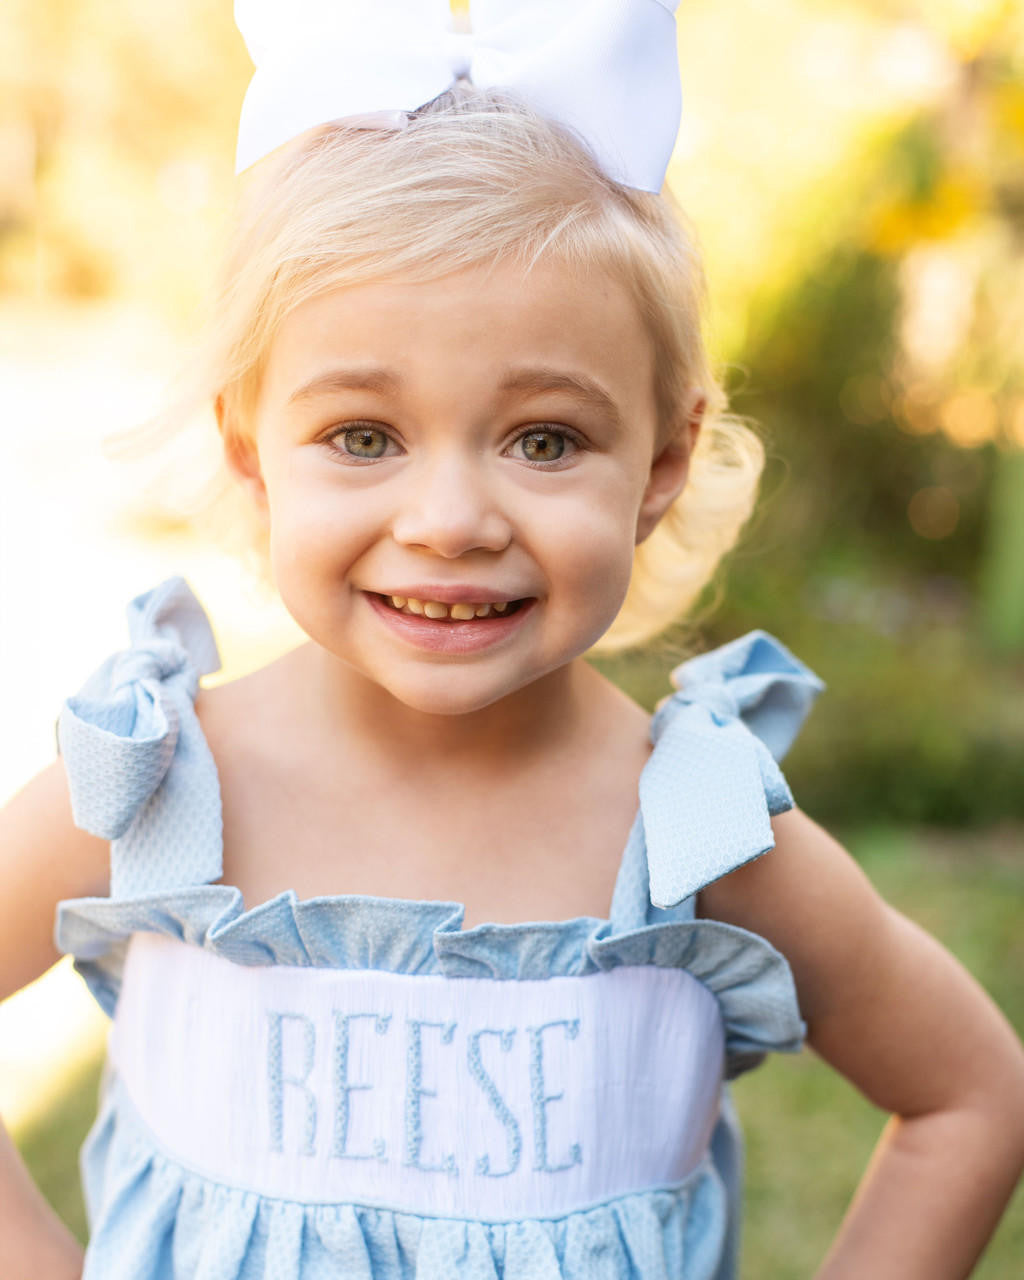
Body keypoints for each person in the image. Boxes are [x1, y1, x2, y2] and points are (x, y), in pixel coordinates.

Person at [2, 3, 1023, 1277]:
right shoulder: (158, 787)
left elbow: (969, 1093)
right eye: (363, 436)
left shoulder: (692, 839)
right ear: (247, 448)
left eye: (544, 439)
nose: (449, 521)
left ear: (659, 463)